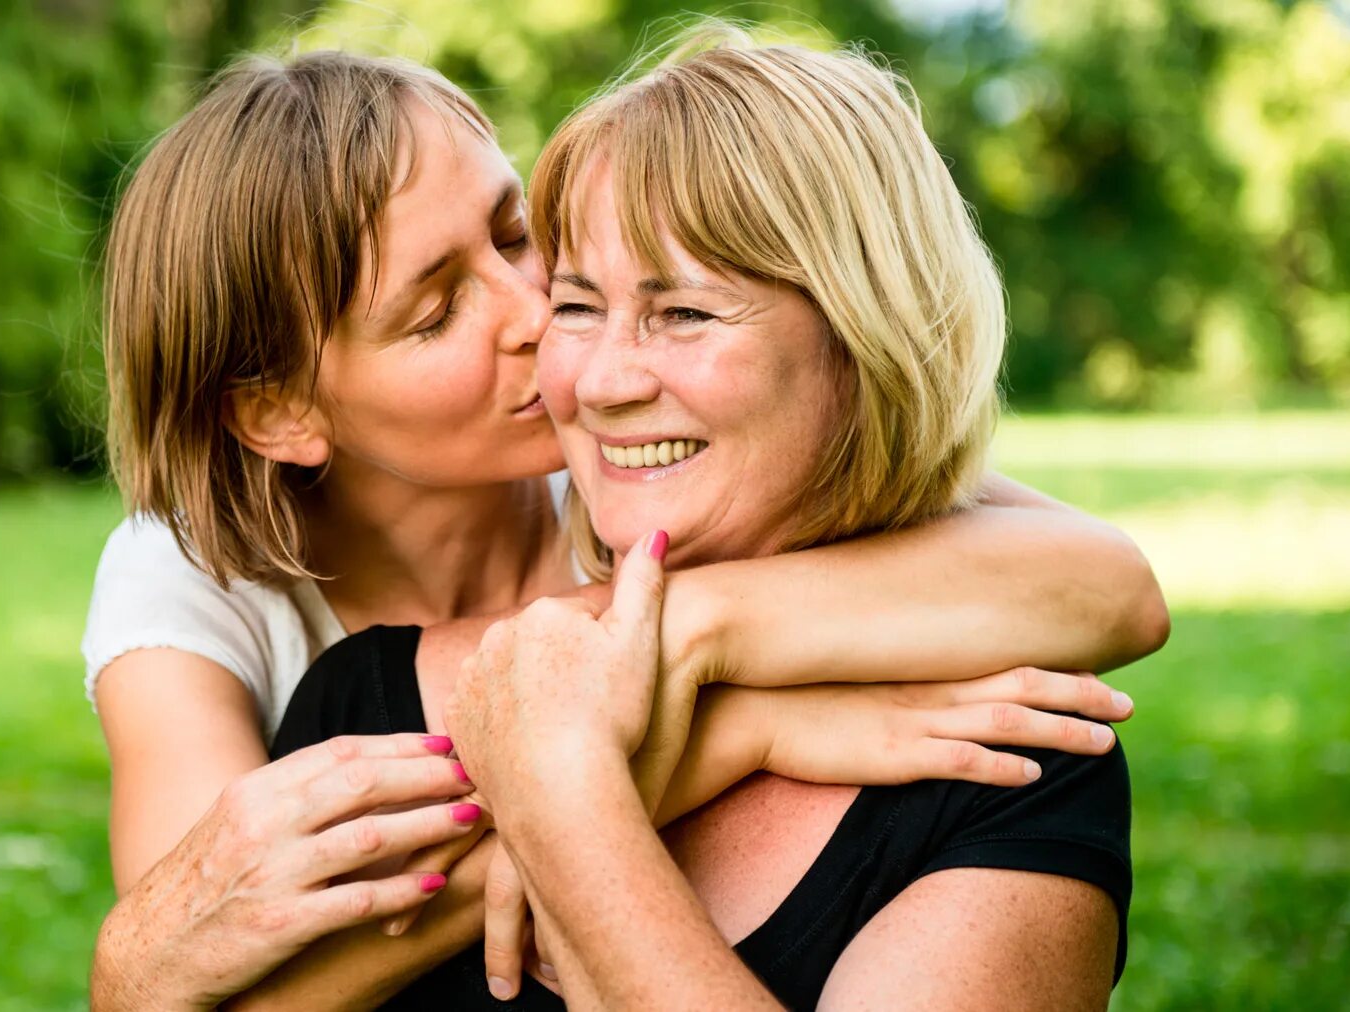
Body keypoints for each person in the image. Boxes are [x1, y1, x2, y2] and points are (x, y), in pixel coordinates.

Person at [85, 46, 1166, 1011]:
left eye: (521, 237)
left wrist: (683, 632)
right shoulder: (193, 583)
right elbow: (197, 940)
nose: (540, 326)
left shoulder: (617, 489)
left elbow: (1110, 584)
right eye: (433, 312)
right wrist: (720, 734)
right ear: (280, 410)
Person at [420, 32, 1132, 1008]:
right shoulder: (375, 687)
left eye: (687, 314)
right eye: (579, 306)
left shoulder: (1003, 747)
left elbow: (1120, 582)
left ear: (864, 342)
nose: (602, 382)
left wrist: (566, 804)